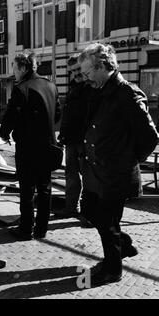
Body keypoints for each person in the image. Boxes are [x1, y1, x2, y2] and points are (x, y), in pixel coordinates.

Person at [78, 43, 159, 286]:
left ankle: (113, 269)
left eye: (88, 72)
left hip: (115, 173)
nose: (85, 78)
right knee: (91, 212)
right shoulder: (101, 89)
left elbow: (149, 137)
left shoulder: (126, 93)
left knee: (107, 222)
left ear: (102, 66)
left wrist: (127, 159)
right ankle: (122, 244)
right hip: (96, 171)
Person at [0, 51, 61, 240]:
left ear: (23, 68)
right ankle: (42, 228)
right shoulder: (51, 85)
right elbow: (57, 114)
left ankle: (26, 229)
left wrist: (4, 133)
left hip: (28, 147)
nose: (14, 73)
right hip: (48, 145)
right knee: (45, 187)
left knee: (27, 189)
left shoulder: (21, 88)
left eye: (15, 68)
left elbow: (12, 114)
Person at [57, 54, 93, 228]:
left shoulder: (92, 87)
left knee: (89, 178)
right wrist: (62, 134)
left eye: (78, 70)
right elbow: (68, 114)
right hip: (72, 139)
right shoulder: (73, 87)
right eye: (72, 71)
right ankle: (71, 207)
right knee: (71, 175)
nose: (76, 74)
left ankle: (88, 213)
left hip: (86, 140)